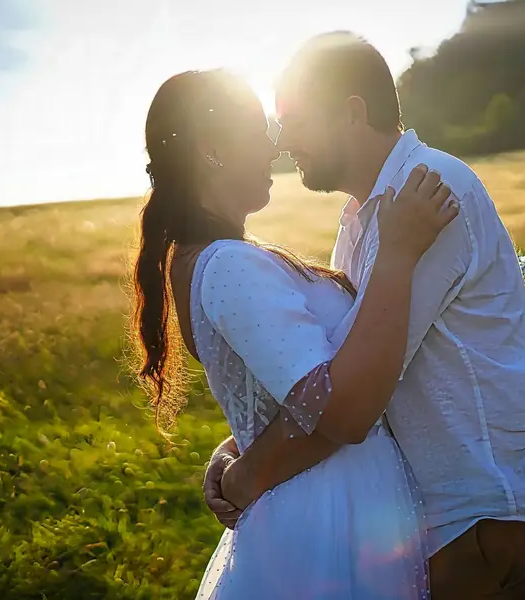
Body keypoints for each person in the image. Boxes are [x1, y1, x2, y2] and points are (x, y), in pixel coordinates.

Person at [203, 32, 525, 600]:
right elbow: (327, 373)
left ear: (352, 114)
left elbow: (352, 391)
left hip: (485, 510)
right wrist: (238, 446)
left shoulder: (430, 190)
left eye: (296, 120)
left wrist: (248, 476)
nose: (283, 144)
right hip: (457, 517)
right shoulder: (362, 218)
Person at [131, 68, 459, 599]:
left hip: (337, 506)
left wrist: (237, 452)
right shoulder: (229, 267)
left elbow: (280, 393)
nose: (276, 145)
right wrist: (398, 254)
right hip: (327, 521)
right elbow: (337, 411)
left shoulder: (221, 260)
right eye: (260, 131)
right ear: (212, 149)